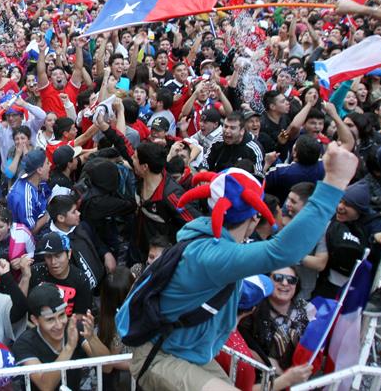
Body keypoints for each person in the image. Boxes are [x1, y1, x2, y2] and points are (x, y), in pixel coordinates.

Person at [127, 142, 358, 391]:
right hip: (160, 358)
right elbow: (282, 251)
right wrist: (334, 182)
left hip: (185, 351)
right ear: (254, 217)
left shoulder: (201, 237)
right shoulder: (215, 255)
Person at [13, 283, 110, 391]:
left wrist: (92, 338)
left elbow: (107, 367)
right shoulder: (24, 344)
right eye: (50, 319)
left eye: (61, 315)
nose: (59, 325)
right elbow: (45, 386)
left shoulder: (73, 328)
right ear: (35, 320)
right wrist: (69, 348)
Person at [48, 194, 115, 290]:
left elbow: (97, 242)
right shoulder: (50, 243)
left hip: (101, 284)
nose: (78, 213)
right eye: (74, 212)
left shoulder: (82, 226)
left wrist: (106, 254)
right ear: (61, 218)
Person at [29, 232, 93, 315]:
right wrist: (25, 277)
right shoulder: (35, 272)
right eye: (48, 256)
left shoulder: (81, 280)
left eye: (58, 256)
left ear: (69, 254)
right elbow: (23, 307)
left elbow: (80, 316)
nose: (53, 262)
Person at [6, 149, 51, 234]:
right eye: (47, 163)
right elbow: (29, 231)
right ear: (39, 170)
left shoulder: (38, 180)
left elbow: (48, 197)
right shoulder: (22, 196)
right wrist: (47, 216)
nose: (50, 165)